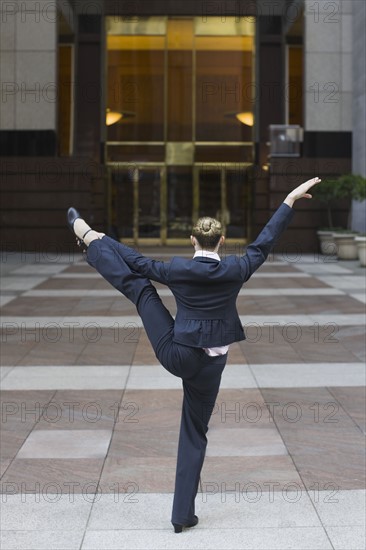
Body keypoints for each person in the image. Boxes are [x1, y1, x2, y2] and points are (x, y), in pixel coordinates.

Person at [67, 176, 321, 533]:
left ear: (192, 241)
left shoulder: (177, 268)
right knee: (195, 432)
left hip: (177, 353)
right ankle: (182, 515)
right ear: (221, 241)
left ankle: (88, 238)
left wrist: (102, 239)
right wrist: (290, 200)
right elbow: (264, 242)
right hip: (211, 366)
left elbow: (136, 261)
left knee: (140, 289)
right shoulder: (237, 268)